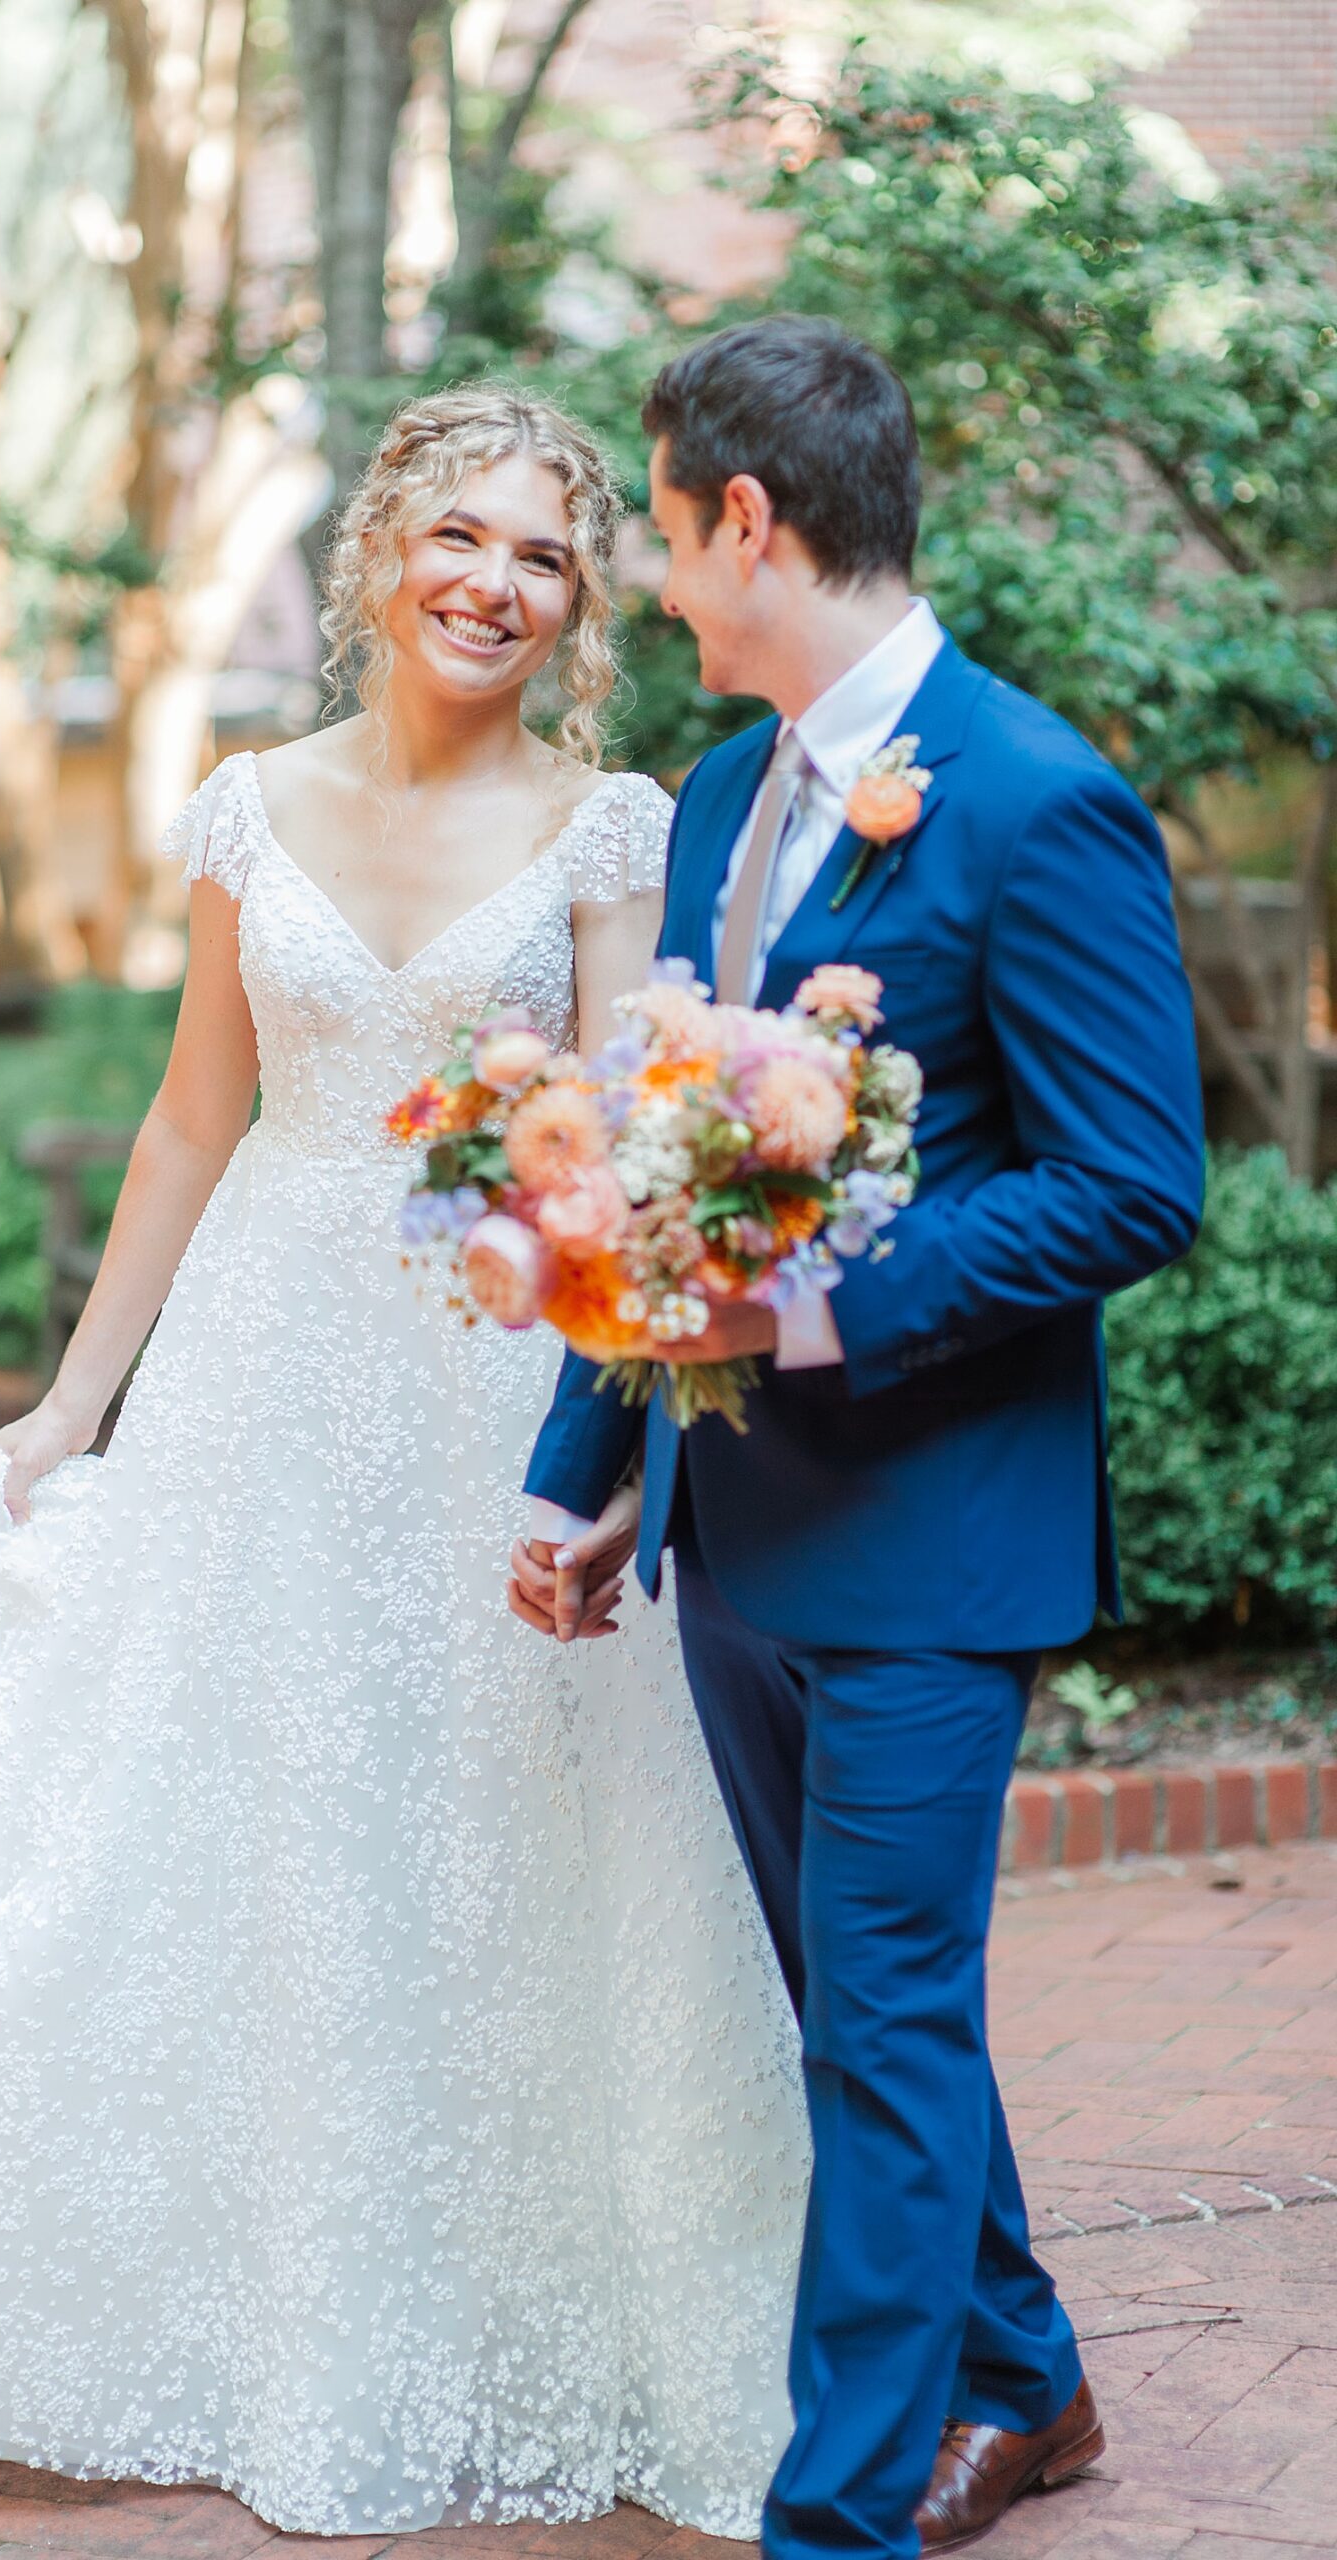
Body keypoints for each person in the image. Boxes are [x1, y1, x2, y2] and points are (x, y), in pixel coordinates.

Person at [0, 387, 810, 2538]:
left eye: (547, 554)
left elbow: (634, 1147)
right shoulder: (245, 807)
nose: (496, 580)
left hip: (487, 1372)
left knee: (492, 1812)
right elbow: (196, 1118)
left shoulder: (607, 823)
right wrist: (76, 1406)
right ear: (379, 551)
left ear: (576, 608)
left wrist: (619, 1425)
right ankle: (277, 2301)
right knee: (251, 1817)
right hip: (262, 1373)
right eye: (461, 534)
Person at [512, 319, 1205, 2560]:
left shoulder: (1031, 793)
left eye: (654, 528)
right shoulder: (719, 802)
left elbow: (1132, 1178)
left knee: (887, 2019)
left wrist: (822, 1307)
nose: (642, 581)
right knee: (858, 2001)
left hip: (933, 1530)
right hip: (737, 1530)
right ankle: (1035, 2375)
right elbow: (645, 1170)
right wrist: (587, 1455)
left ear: (747, 518)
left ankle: (835, 2521)